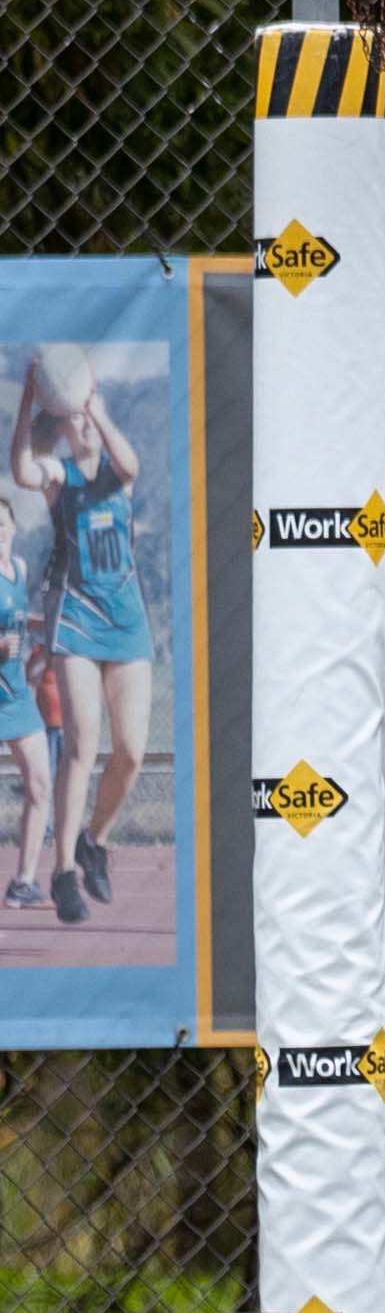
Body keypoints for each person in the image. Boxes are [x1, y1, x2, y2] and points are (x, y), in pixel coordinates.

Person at [9, 355, 151, 928]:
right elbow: (21, 469)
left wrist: (94, 406)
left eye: (91, 415)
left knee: (132, 752)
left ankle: (95, 840)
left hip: (127, 621)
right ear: (64, 424)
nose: (86, 425)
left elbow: (129, 459)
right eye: (76, 419)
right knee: (81, 745)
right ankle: (64, 869)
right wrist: (30, 399)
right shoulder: (60, 478)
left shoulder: (118, 472)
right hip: (76, 621)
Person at [0, 495, 54, 908]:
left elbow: (21, 620)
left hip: (16, 698)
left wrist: (52, 623)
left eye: (2, 524)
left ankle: (23, 881)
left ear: (13, 527)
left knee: (40, 785)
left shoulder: (18, 571)